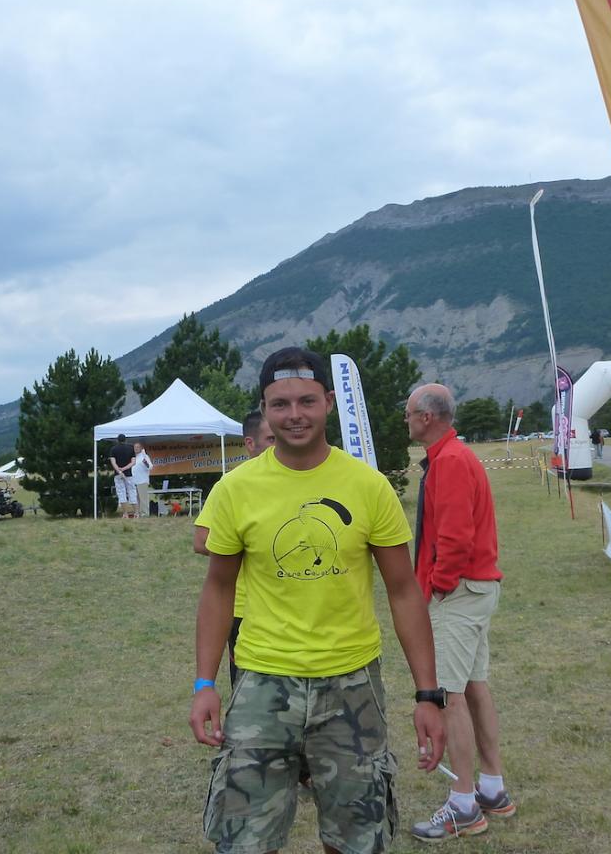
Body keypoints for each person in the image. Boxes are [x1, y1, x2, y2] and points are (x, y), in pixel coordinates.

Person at [190, 347, 446, 854]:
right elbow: (218, 588)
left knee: (355, 839)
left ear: (328, 401)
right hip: (262, 683)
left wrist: (427, 694)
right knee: (244, 841)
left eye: (306, 400)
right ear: (264, 410)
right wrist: (205, 683)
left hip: (351, 685)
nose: (294, 415)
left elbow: (403, 591)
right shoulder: (234, 490)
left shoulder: (369, 488)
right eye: (279, 404)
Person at [405, 383, 515, 842]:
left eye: (409, 413)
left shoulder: (449, 462)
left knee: (447, 696)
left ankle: (464, 804)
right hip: (477, 588)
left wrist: (437, 591)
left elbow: (453, 541)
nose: (406, 420)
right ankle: (492, 787)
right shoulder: (455, 456)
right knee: (473, 686)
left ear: (428, 417)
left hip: (460, 593)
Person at [193, 408, 276, 686]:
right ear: (251, 444)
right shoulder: (230, 485)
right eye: (271, 439)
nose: (279, 444)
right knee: (245, 683)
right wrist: (247, 546)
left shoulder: (292, 481)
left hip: (283, 604)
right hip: (242, 607)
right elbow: (201, 540)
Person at [108, 433, 136, 518]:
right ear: (125, 440)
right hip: (129, 474)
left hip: (118, 474)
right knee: (132, 492)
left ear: (117, 440)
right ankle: (136, 513)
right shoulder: (131, 448)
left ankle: (125, 513)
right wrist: (124, 469)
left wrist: (120, 471)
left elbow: (113, 463)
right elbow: (133, 462)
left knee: (121, 493)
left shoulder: (113, 449)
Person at [131, 441, 154, 518]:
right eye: (135, 447)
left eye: (137, 447)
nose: (136, 449)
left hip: (142, 481)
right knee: (136, 499)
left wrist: (145, 462)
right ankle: (138, 513)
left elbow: (150, 467)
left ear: (141, 448)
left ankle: (145, 514)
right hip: (135, 481)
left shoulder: (144, 456)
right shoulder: (134, 457)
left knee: (143, 498)